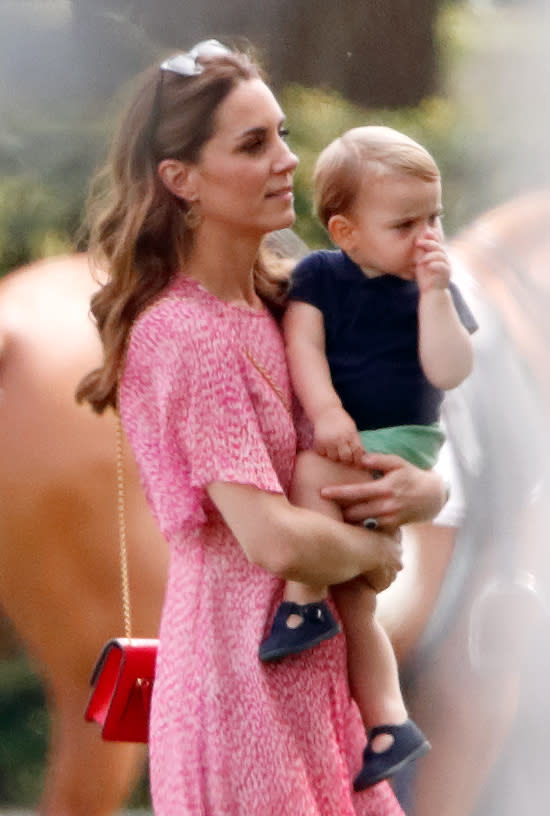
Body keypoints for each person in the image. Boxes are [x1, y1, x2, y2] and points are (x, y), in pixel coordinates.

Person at [76, 43, 448, 815]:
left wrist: (423, 490)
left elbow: (396, 433)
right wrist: (376, 549)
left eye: (281, 133)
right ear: (181, 180)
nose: (288, 159)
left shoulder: (292, 306)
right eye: (254, 144)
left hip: (323, 687)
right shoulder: (182, 332)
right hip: (237, 686)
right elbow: (272, 540)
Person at [260, 126, 478, 790]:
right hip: (350, 431)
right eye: (405, 222)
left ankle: (300, 602)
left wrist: (436, 296)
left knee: (309, 476)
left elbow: (449, 369)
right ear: (346, 232)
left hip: (403, 441)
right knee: (357, 603)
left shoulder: (432, 286)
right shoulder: (322, 276)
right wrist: (326, 412)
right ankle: (389, 722)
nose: (426, 235)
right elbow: (305, 348)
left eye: (434, 217)